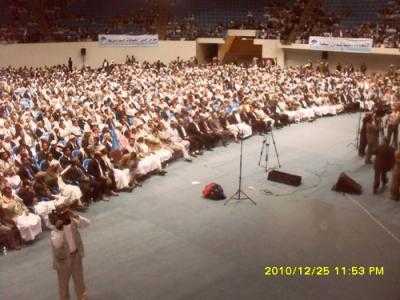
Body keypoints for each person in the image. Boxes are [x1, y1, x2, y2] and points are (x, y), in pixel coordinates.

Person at [49, 206, 90, 300]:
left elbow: (87, 223)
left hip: (76, 256)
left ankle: (82, 298)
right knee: (63, 285)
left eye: (65, 214)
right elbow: (57, 244)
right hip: (63, 261)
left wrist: (75, 215)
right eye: (62, 215)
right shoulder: (55, 229)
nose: (65, 217)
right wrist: (59, 229)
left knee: (80, 282)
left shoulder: (73, 221)